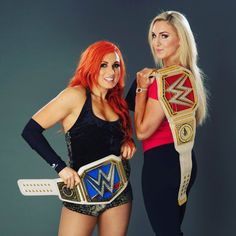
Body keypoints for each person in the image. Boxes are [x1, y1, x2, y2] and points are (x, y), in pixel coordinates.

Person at [21, 41, 136, 236]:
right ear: (91, 65)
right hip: (82, 195)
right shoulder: (75, 96)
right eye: (103, 64)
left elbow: (113, 137)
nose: (111, 71)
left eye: (116, 65)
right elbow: (30, 131)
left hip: (120, 192)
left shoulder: (116, 102)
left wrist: (127, 142)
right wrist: (59, 167)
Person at [126, 11, 208, 236]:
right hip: (185, 162)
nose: (156, 42)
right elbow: (125, 110)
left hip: (160, 165)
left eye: (164, 36)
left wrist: (142, 88)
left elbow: (142, 131)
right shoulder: (188, 75)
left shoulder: (163, 79)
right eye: (153, 36)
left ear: (180, 39)